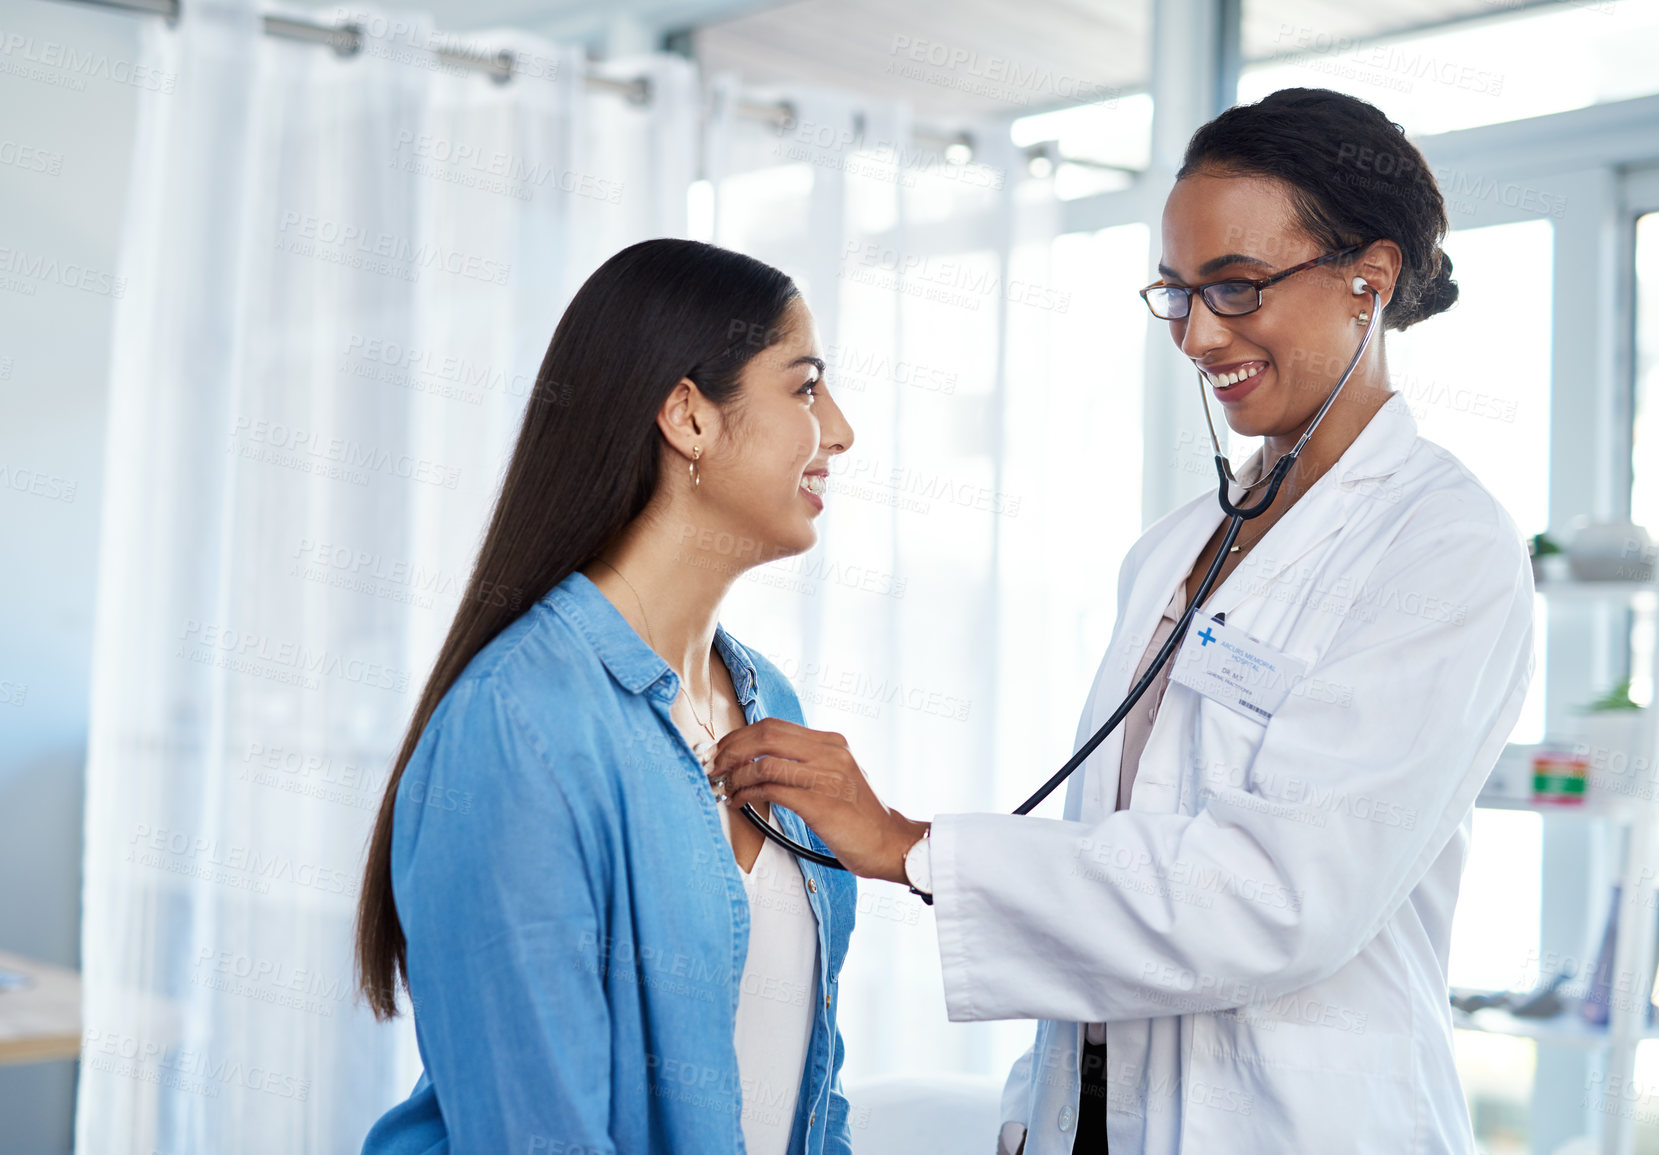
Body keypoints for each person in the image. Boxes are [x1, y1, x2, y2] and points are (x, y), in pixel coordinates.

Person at [704, 87, 1537, 1154]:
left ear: (1368, 281)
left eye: (1236, 288)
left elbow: (1278, 898)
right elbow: (1111, 858)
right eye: (1178, 294)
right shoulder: (1176, 548)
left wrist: (909, 846)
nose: (1198, 334)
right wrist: (1036, 1108)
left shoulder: (1443, 549)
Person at [355, 238, 859, 1155]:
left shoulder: (769, 701)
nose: (840, 430)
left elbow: (806, 1080)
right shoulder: (517, 726)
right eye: (804, 386)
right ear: (688, 417)